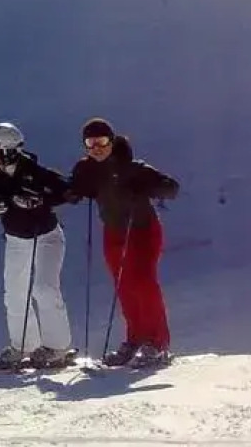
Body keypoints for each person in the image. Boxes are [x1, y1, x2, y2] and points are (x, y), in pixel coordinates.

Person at [0, 121, 75, 369]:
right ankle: (24, 346)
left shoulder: (33, 171)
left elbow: (68, 191)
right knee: (14, 294)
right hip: (17, 238)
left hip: (47, 236)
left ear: (9, 148)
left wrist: (40, 200)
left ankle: (57, 348)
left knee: (44, 288)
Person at [66, 117, 180, 367]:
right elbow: (72, 188)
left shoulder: (133, 167)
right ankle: (136, 339)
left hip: (142, 229)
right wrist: (74, 192)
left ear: (112, 140)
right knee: (125, 285)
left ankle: (157, 343)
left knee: (143, 282)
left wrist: (148, 187)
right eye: (91, 143)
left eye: (102, 141)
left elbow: (171, 188)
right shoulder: (86, 169)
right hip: (115, 231)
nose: (97, 148)